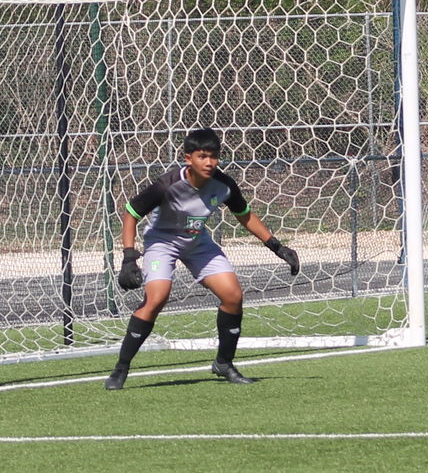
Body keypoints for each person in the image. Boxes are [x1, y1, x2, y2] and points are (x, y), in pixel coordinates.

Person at [105, 128, 301, 390]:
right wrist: (129, 257)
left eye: (214, 156)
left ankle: (224, 363)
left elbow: (244, 214)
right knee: (157, 297)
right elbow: (130, 213)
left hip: (198, 243)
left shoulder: (224, 185)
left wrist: (276, 246)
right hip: (162, 242)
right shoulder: (167, 185)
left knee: (233, 296)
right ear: (189, 158)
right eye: (202, 156)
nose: (209, 162)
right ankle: (121, 368)